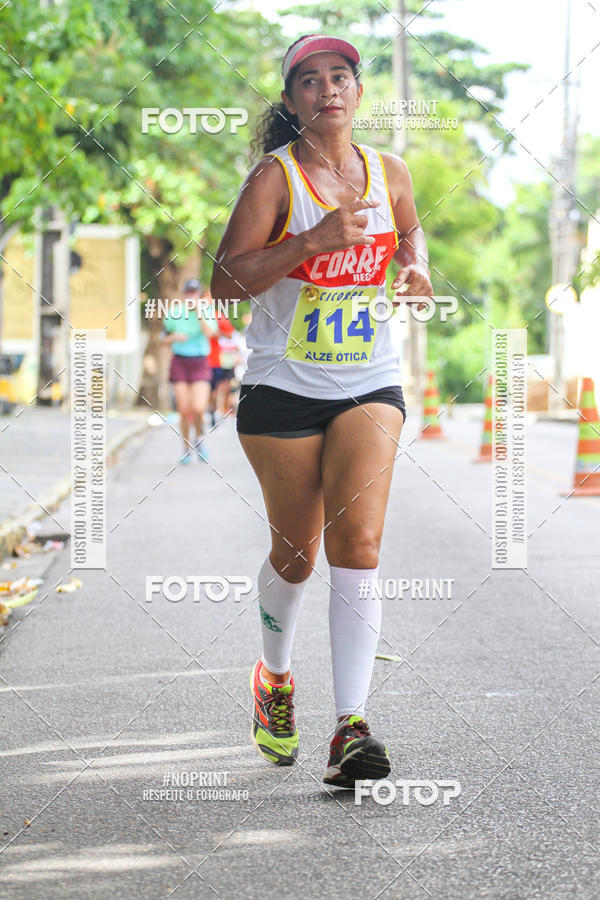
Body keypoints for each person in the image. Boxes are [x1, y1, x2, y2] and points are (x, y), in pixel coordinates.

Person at [211, 34, 433, 787]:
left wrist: (416, 267)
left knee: (360, 542)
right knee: (297, 553)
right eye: (310, 80)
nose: (327, 90)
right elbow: (225, 285)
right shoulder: (273, 181)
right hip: (282, 387)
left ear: (358, 92)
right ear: (292, 98)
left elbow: (408, 229)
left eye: (340, 76)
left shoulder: (389, 171)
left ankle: (352, 726)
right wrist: (310, 241)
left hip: (369, 380)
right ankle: (274, 679)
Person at [161, 279, 215, 463]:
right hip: (180, 362)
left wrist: (199, 313)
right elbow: (163, 337)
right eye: (188, 292)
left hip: (199, 362)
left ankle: (198, 439)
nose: (191, 296)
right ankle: (185, 447)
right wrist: (173, 337)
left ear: (199, 294)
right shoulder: (174, 312)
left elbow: (209, 333)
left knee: (199, 408)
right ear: (184, 294)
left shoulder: (207, 311)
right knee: (184, 409)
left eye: (194, 292)